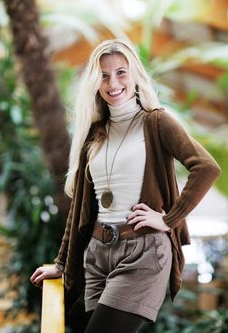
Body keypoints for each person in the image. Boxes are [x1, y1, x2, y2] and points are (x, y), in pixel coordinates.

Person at [30, 39, 221, 332]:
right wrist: (61, 263)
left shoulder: (156, 122)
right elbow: (81, 209)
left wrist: (167, 219)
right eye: (104, 75)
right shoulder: (95, 134)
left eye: (121, 72)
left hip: (142, 253)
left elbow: (206, 167)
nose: (112, 82)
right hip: (96, 255)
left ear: (135, 75)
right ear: (95, 82)